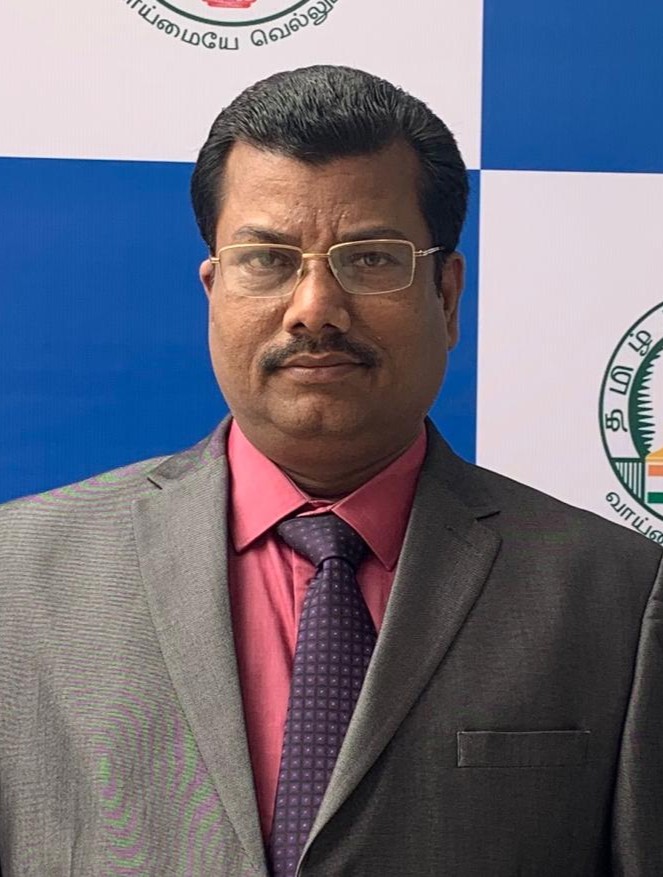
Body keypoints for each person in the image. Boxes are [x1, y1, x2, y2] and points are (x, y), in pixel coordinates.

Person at [0, 65, 661, 877]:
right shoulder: (17, 576)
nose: (314, 307)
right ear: (213, 290)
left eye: (371, 258)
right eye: (267, 259)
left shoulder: (616, 592)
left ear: (447, 295)